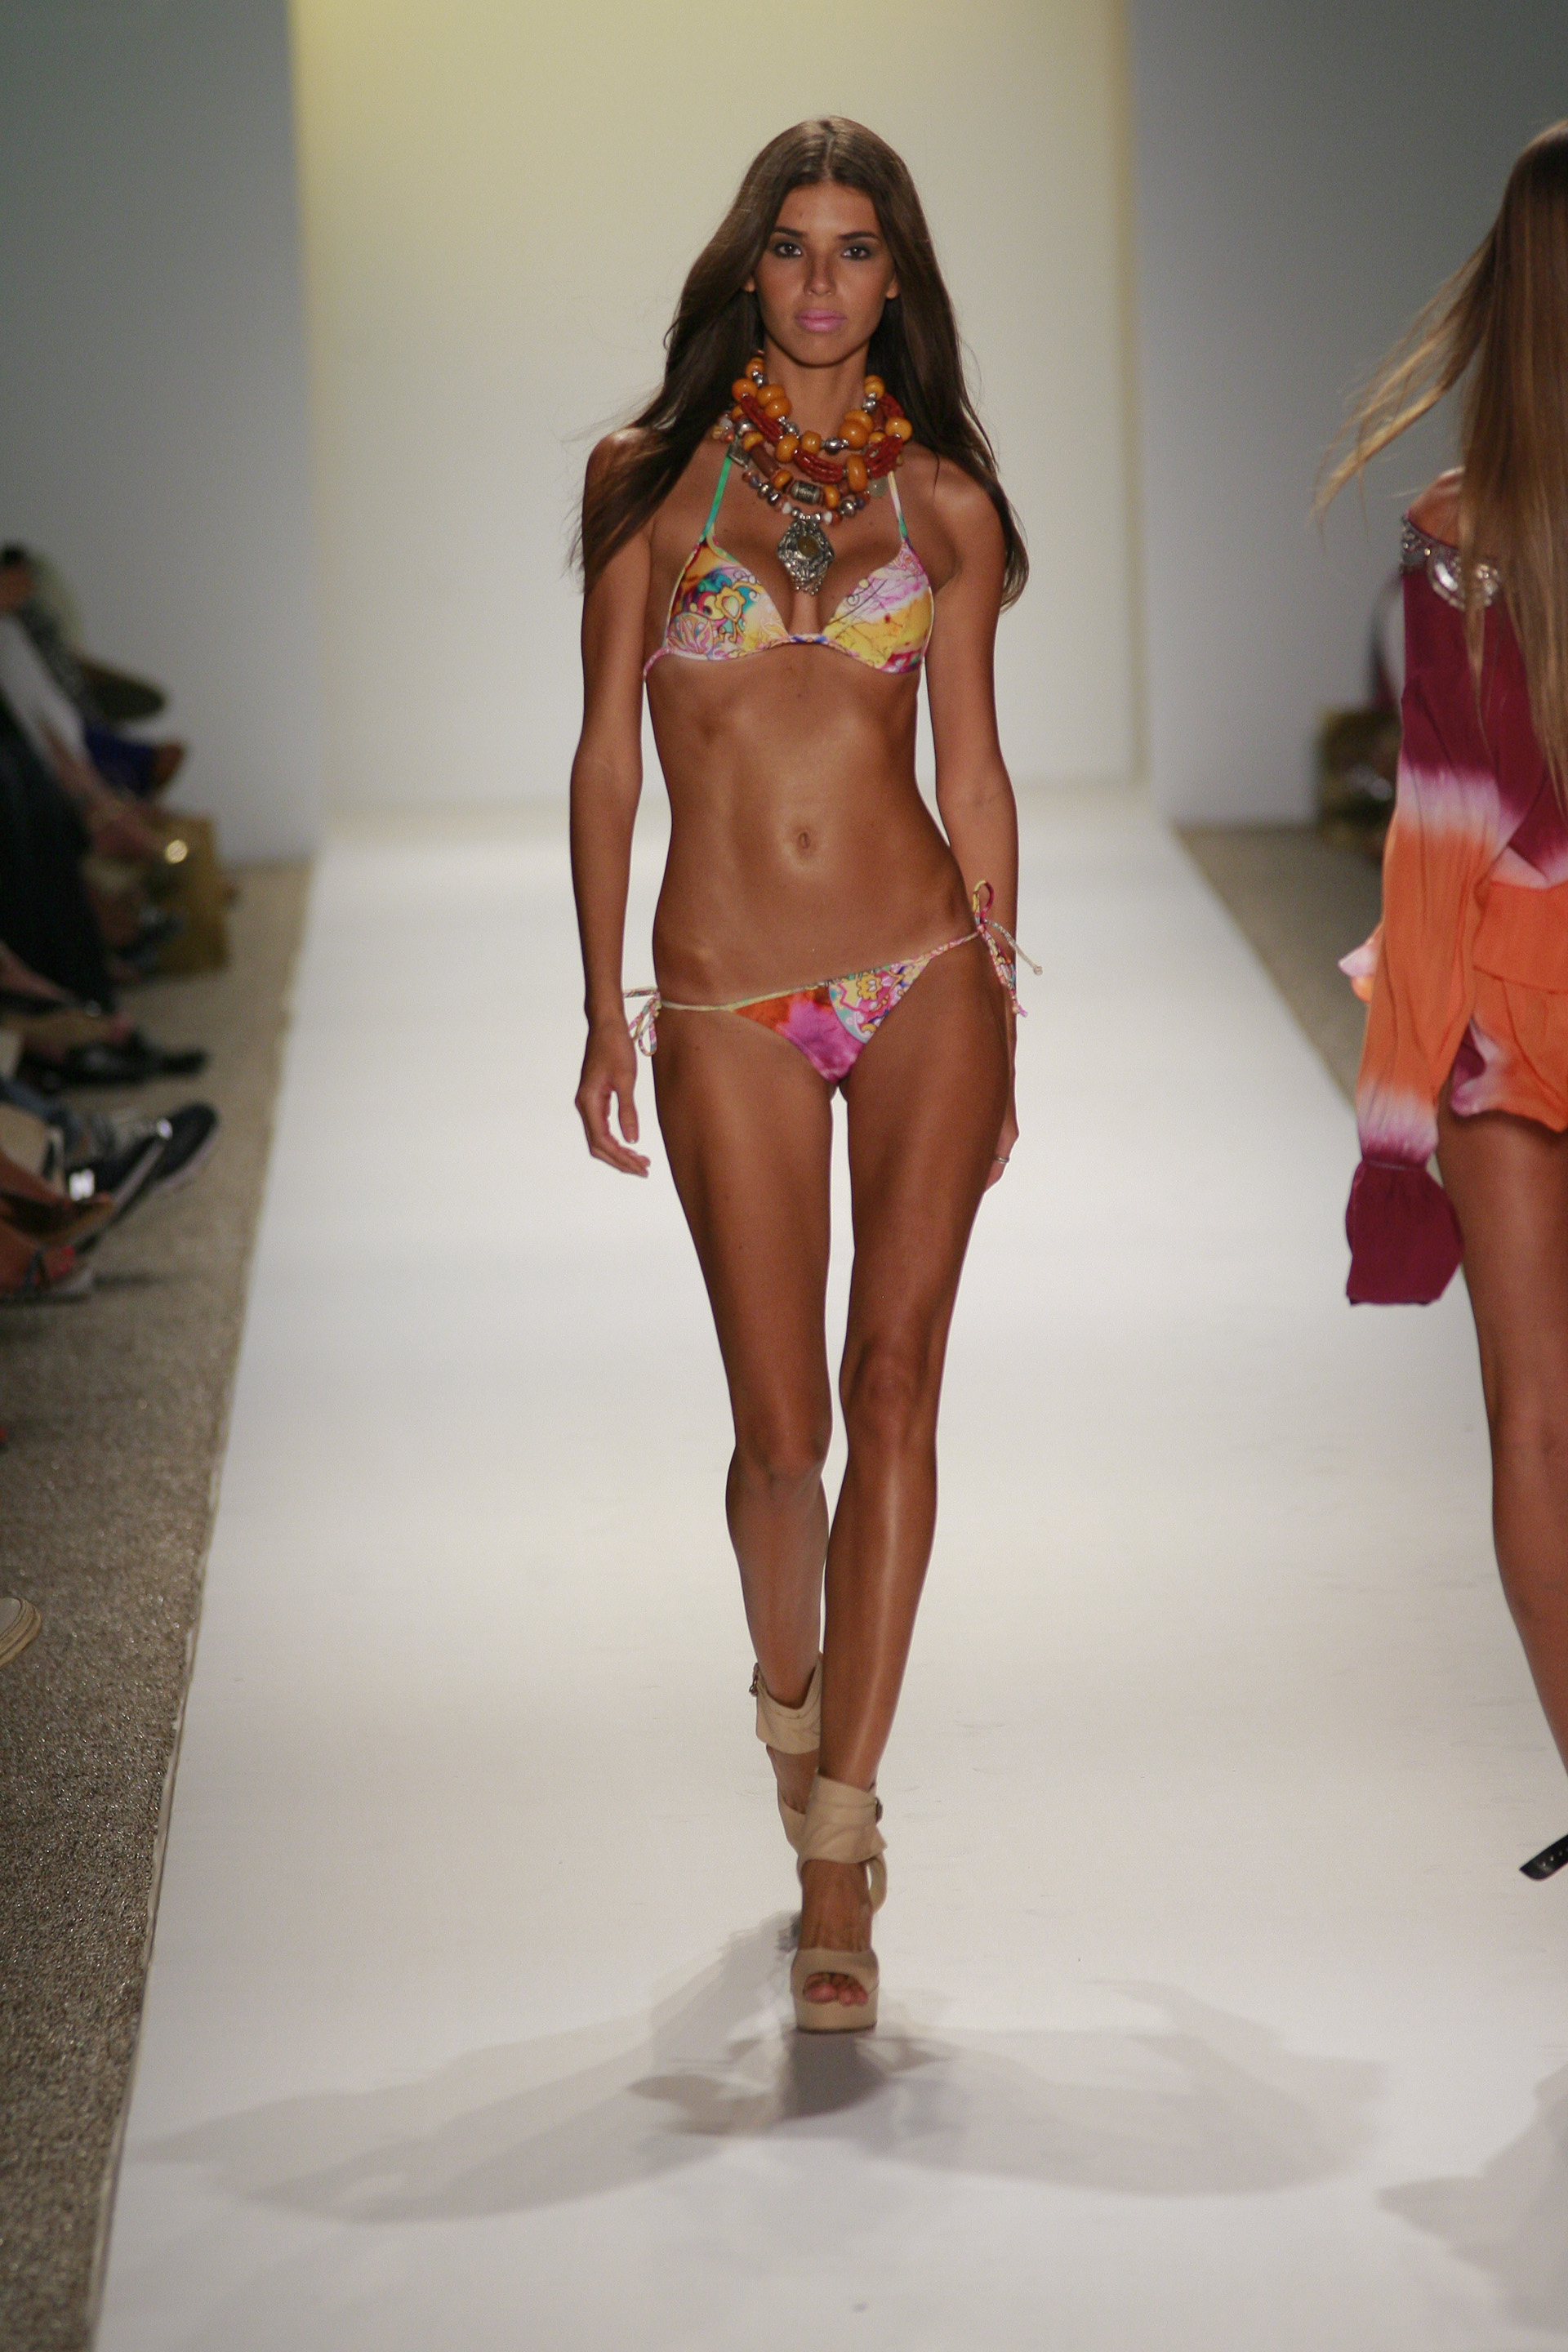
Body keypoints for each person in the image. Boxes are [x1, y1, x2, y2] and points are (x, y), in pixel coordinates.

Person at [569, 119, 1031, 2029]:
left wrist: (1008, 1006)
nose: (823, 280)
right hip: (727, 998)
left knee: (894, 1382)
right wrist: (601, 1005)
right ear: (747, 268)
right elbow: (608, 757)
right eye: (791, 247)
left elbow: (973, 769)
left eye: (853, 248)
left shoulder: (946, 504)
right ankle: (791, 1703)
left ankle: (841, 1843)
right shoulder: (648, 482)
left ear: (895, 274)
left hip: (923, 975)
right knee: (781, 1441)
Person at [1320, 122, 1568, 1878]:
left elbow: (1439, 837)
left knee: (1535, 1424)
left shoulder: (1455, 533)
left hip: (1495, 1002)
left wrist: (1395, 1129)